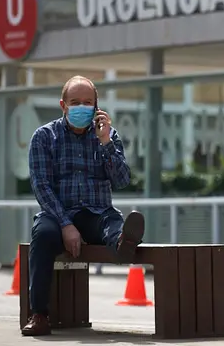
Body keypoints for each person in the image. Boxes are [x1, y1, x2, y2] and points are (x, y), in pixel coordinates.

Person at [21, 75, 145, 337]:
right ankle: (39, 314)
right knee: (42, 236)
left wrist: (106, 143)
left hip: (96, 211)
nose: (81, 107)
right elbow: (41, 186)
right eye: (75, 102)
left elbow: (122, 180)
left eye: (87, 102)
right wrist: (66, 224)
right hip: (57, 213)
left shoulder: (107, 137)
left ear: (97, 107)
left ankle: (123, 243)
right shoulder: (44, 137)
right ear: (63, 105)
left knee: (110, 224)